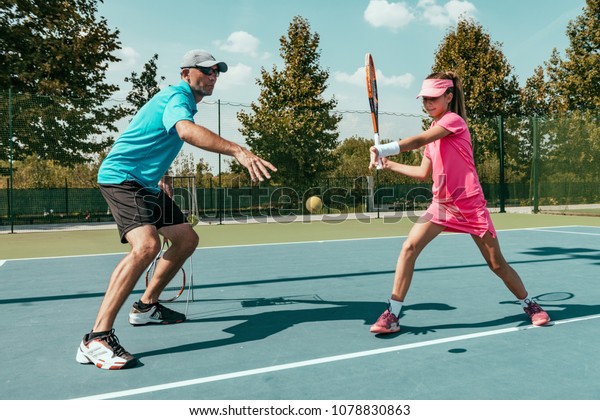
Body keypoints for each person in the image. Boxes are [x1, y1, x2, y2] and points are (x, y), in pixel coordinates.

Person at [76, 50, 276, 369]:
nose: (213, 76)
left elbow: (154, 139)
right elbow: (184, 131)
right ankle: (96, 339)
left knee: (186, 239)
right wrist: (238, 150)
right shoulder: (177, 97)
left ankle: (145, 307)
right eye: (207, 70)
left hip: (146, 182)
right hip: (121, 179)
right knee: (147, 246)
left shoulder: (179, 103)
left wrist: (162, 176)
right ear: (186, 74)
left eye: (216, 72)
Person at [368, 71, 550, 334]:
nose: (428, 103)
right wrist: (390, 164)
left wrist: (384, 148)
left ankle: (530, 304)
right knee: (409, 248)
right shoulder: (434, 129)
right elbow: (423, 173)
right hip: (441, 205)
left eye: (433, 98)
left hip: (469, 205)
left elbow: (417, 140)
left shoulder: (453, 121)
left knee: (496, 263)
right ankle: (392, 314)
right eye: (424, 99)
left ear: (448, 97)